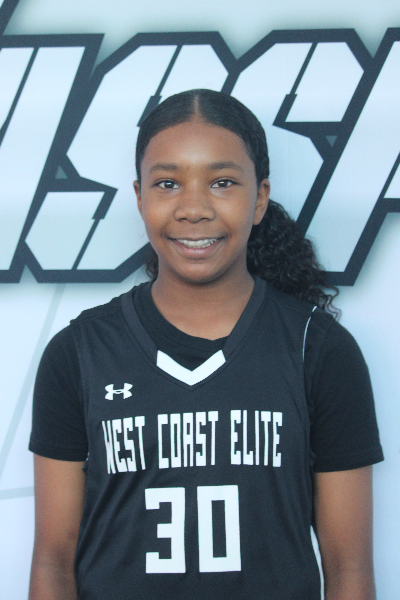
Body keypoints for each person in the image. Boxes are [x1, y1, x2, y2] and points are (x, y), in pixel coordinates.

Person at [28, 89, 383, 600]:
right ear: (140, 197)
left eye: (222, 182)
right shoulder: (78, 353)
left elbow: (350, 571)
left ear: (259, 198)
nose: (193, 209)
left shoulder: (319, 350)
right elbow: (52, 563)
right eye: (168, 183)